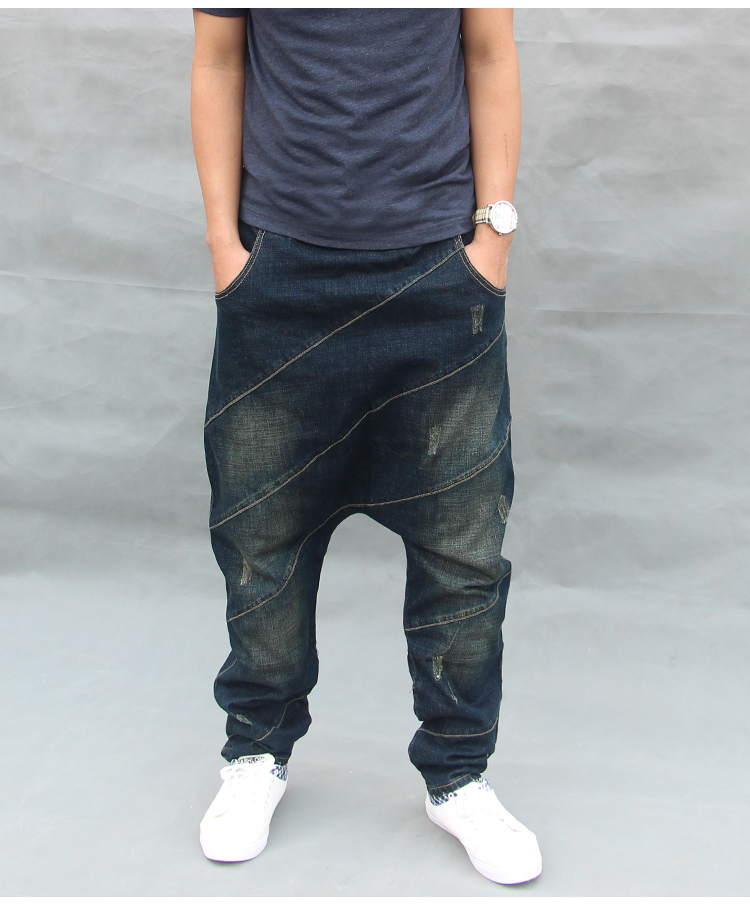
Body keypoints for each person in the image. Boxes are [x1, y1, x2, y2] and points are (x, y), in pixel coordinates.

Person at [190, 8, 541, 885]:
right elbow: (219, 61)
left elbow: (489, 51)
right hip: (281, 272)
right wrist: (224, 245)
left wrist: (494, 237)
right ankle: (255, 753)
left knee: (464, 551)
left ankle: (459, 774)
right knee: (261, 542)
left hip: (438, 271)